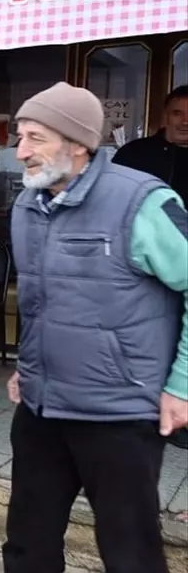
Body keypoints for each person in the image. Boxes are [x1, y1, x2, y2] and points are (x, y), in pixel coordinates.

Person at [0, 83, 187, 573]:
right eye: (21, 137)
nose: (21, 150)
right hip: (43, 409)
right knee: (27, 544)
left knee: (131, 555)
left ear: (78, 145)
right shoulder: (28, 205)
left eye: (35, 138)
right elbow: (40, 300)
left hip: (119, 414)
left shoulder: (142, 202)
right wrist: (26, 366)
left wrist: (180, 385)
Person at [112, 84, 188, 451]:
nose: (185, 122)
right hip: (140, 271)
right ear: (164, 116)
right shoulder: (135, 155)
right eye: (178, 113)